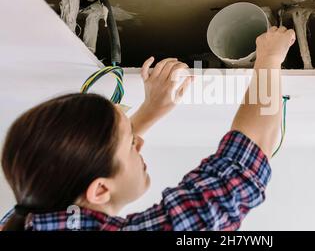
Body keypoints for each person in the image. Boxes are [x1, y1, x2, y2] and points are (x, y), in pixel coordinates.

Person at [0, 26, 296, 231]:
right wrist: (270, 58)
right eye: (130, 143)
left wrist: (148, 113)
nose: (139, 143)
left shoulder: (27, 213)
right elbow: (239, 170)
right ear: (100, 189)